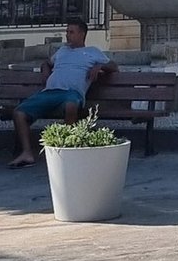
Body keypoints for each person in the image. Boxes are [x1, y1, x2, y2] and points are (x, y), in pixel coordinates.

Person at [9, 20, 111, 168]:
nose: (67, 35)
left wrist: (99, 65)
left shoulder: (92, 52)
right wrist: (45, 69)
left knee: (71, 105)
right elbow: (47, 63)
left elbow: (114, 66)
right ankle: (27, 153)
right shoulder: (62, 51)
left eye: (71, 32)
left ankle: (67, 149)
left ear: (82, 34)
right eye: (67, 32)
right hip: (49, 92)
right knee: (19, 112)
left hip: (71, 93)